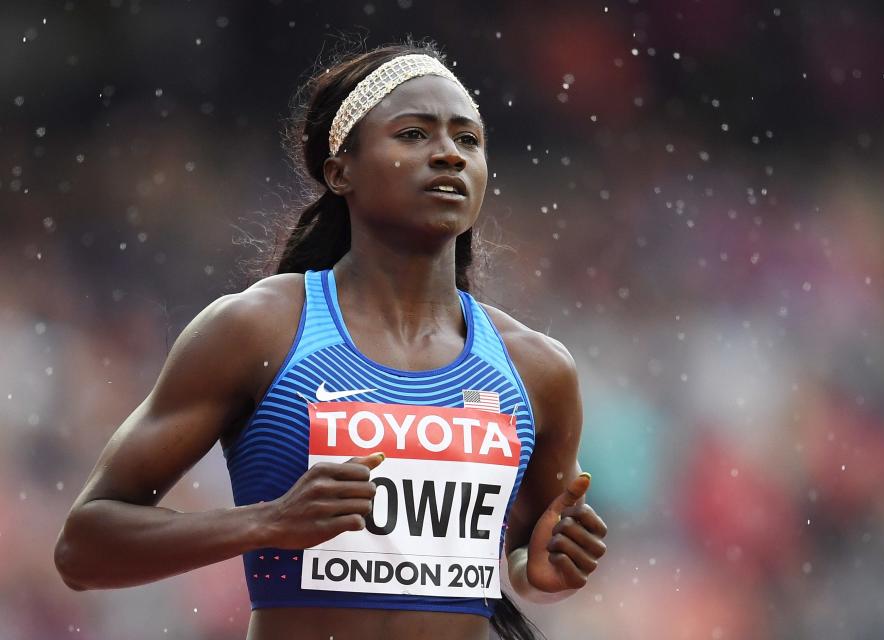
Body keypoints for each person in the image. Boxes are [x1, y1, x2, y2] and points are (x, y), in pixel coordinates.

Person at [54, 40, 608, 640]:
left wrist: (539, 571)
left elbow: (520, 565)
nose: (449, 154)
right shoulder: (259, 329)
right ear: (339, 170)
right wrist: (268, 523)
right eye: (414, 135)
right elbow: (84, 548)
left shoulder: (536, 370)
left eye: (468, 140)